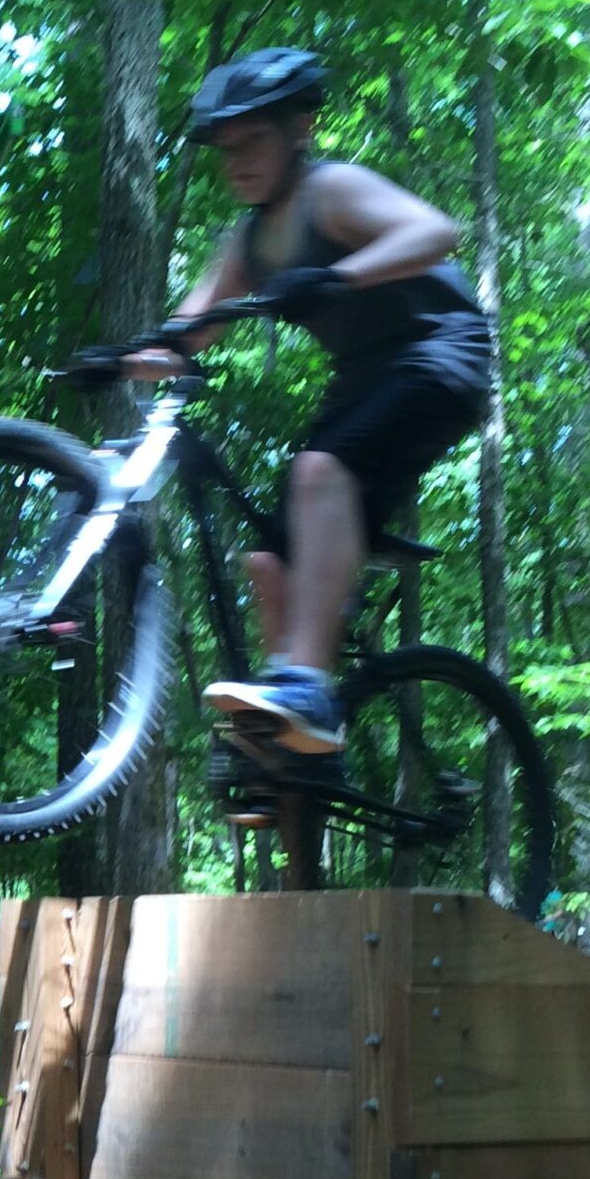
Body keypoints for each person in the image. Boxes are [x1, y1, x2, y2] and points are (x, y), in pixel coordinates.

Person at [116, 48, 493, 793]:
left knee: (321, 471)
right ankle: (298, 753)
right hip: (364, 382)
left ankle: (308, 689)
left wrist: (336, 274)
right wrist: (123, 359)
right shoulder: (248, 241)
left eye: (251, 141)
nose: (236, 162)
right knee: (266, 562)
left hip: (440, 355)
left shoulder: (333, 190)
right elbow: (186, 333)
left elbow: (436, 233)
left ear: (299, 130)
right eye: (225, 148)